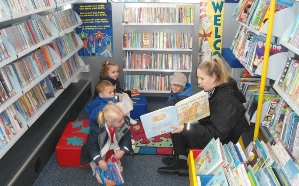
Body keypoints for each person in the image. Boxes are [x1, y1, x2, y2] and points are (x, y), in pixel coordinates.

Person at [157, 55, 247, 175]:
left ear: (214, 77)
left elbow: (216, 135)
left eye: (202, 79)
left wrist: (187, 128)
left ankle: (181, 162)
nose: (199, 83)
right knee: (178, 119)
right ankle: (181, 158)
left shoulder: (226, 101)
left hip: (219, 144)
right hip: (213, 131)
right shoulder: (219, 88)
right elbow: (211, 114)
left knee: (181, 127)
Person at [80, 102, 134, 184]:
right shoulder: (96, 130)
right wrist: (99, 160)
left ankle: (114, 162)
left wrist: (122, 150)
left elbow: (127, 139)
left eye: (123, 118)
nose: (123, 122)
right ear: (109, 123)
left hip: (113, 144)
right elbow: (92, 147)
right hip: (101, 147)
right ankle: (99, 169)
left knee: (121, 150)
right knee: (101, 159)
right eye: (119, 121)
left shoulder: (123, 124)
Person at [99, 60, 136, 124]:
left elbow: (117, 88)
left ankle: (127, 117)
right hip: (107, 100)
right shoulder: (105, 83)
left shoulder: (114, 79)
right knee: (121, 104)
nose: (116, 74)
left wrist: (120, 92)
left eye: (117, 71)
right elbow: (106, 97)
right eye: (113, 72)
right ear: (106, 73)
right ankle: (122, 117)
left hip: (114, 95)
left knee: (126, 97)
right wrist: (117, 98)